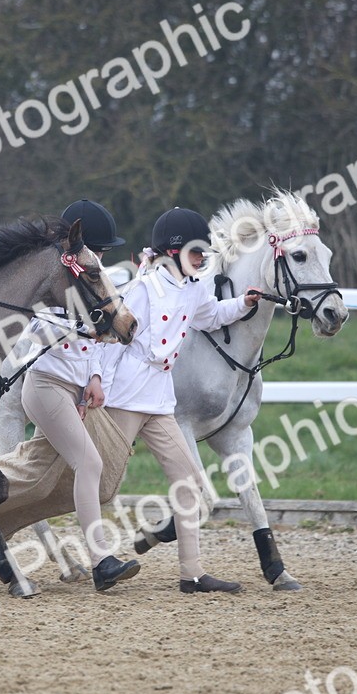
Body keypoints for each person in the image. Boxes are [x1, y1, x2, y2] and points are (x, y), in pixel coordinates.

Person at [100, 207, 265, 594]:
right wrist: (98, 388)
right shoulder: (142, 291)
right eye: (196, 254)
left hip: (159, 399)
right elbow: (112, 345)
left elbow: (211, 316)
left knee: (190, 482)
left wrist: (244, 303)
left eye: (205, 254)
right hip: (124, 396)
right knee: (102, 483)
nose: (203, 260)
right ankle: (100, 560)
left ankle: (191, 574)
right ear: (173, 253)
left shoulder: (194, 288)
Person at [20, 199, 141, 592]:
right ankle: (102, 561)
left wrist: (95, 377)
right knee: (89, 464)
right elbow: (30, 330)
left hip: (73, 389)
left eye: (102, 253)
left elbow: (100, 343)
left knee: (29, 480)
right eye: (98, 250)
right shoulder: (47, 282)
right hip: (45, 386)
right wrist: (78, 331)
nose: (101, 258)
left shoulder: (88, 280)